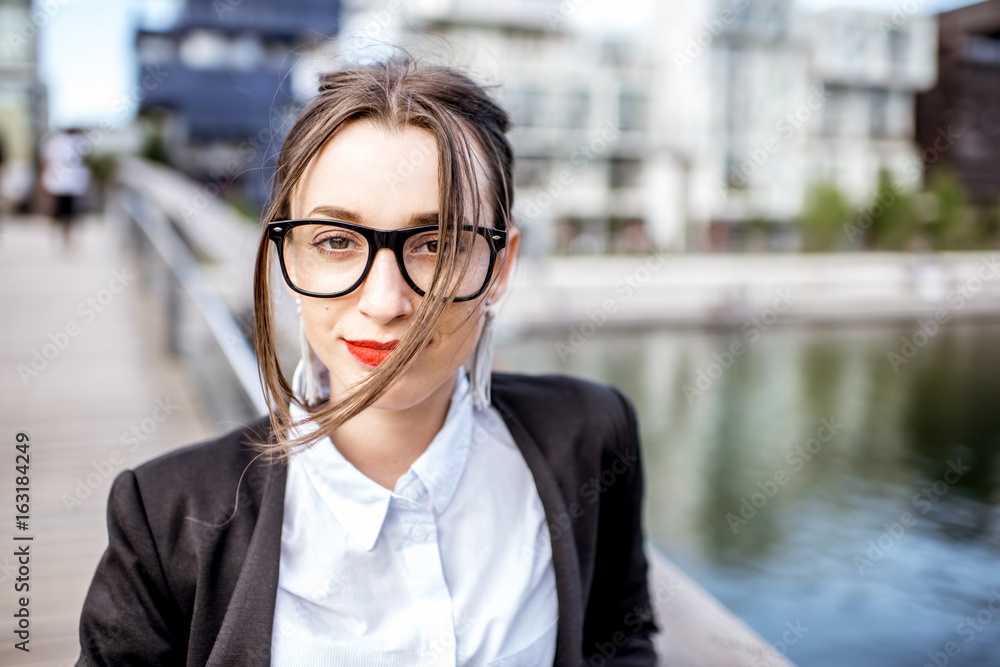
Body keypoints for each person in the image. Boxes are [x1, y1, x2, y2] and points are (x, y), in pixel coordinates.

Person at [76, 56, 658, 666]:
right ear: (289, 260)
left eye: (436, 245)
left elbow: (621, 636)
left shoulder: (589, 436)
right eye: (336, 242)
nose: (385, 303)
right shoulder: (167, 520)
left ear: (500, 268)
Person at [41, 127, 91, 249]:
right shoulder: (77, 142)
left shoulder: (55, 141)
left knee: (62, 210)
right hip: (67, 183)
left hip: (63, 182)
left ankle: (62, 236)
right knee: (67, 211)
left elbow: (46, 161)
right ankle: (65, 236)